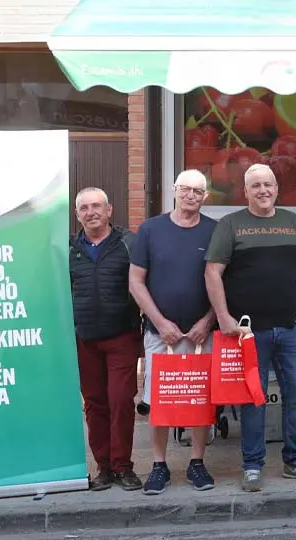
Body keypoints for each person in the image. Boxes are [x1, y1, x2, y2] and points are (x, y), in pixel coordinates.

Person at [204, 163, 296, 492]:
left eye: (268, 184)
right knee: (253, 400)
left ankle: (294, 460)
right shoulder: (230, 225)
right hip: (248, 333)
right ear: (245, 192)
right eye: (255, 186)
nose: (263, 191)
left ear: (276, 188)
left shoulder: (292, 222)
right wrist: (224, 317)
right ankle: (252, 465)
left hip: (292, 329)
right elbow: (213, 272)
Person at [128, 170, 218, 495]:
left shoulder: (214, 231)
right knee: (158, 401)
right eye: (185, 189)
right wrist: (160, 322)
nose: (191, 195)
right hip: (159, 334)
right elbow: (136, 281)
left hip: (200, 335)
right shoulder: (151, 229)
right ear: (173, 190)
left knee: (199, 399)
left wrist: (207, 322)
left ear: (205, 196)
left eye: (198, 190)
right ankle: (159, 466)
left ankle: (196, 463)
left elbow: (224, 283)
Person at [69, 187, 143, 491]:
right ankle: (103, 468)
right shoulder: (69, 249)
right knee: (95, 404)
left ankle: (123, 466)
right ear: (77, 215)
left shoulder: (129, 243)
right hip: (84, 338)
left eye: (96, 206)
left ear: (109, 209)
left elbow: (145, 283)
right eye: (84, 208)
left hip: (121, 335)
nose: (91, 212)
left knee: (122, 401)